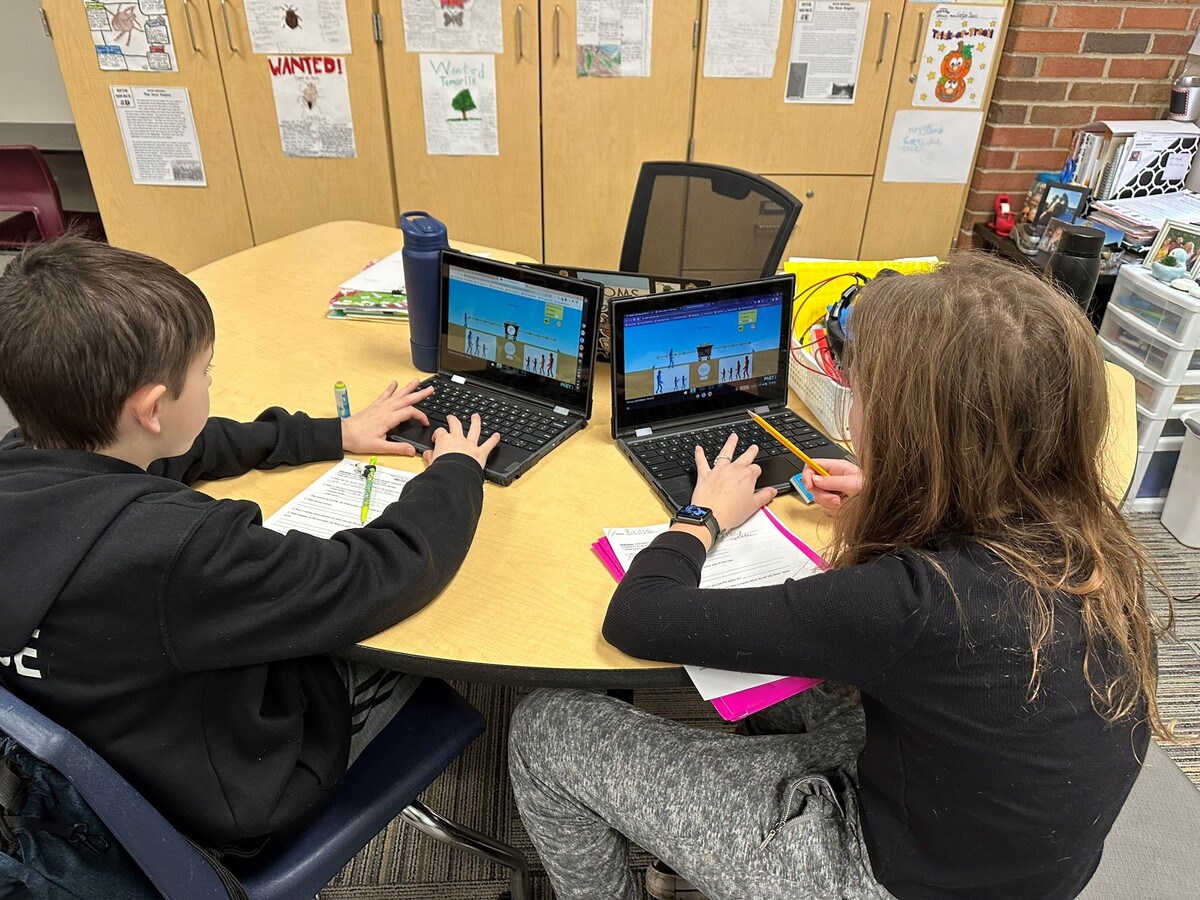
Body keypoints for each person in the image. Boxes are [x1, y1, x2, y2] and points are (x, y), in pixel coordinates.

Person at [508, 252, 1172, 900]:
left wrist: (700, 517)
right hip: (1003, 854)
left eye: (864, 398)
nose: (854, 415)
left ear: (914, 433)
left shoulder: (914, 601)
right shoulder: (1097, 544)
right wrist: (897, 496)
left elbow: (639, 618)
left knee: (546, 728)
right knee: (794, 674)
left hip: (885, 874)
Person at [0, 236, 500, 856]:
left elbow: (181, 449)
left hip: (117, 758)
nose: (210, 383)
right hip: (240, 798)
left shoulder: (25, 464)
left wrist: (334, 432)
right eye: (204, 373)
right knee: (409, 640)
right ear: (153, 408)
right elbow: (377, 573)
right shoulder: (183, 550)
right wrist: (455, 472)